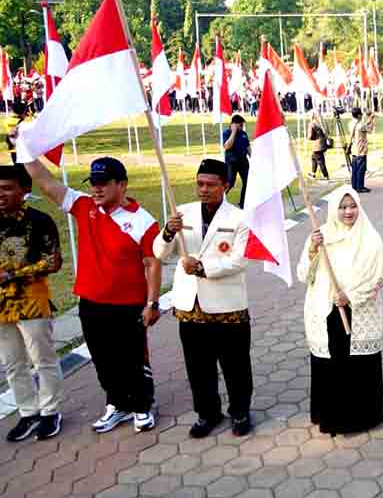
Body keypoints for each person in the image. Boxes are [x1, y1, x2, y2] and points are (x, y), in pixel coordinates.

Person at [23, 156, 161, 433]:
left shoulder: (143, 221)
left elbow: (152, 264)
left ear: (122, 185)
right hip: (90, 302)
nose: (96, 189)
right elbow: (47, 183)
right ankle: (117, 405)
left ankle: (142, 406)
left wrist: (152, 303)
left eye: (103, 183)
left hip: (128, 305)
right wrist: (25, 152)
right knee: (103, 360)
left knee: (132, 360)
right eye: (93, 183)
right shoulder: (84, 206)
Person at [154, 159, 254, 438]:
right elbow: (160, 253)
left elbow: (240, 260)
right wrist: (168, 232)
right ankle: (207, 413)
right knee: (198, 367)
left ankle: (240, 411)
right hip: (191, 306)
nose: (204, 189)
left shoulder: (240, 218)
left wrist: (201, 267)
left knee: (235, 366)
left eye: (211, 184)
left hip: (228, 305)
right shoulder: (182, 214)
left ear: (226, 186)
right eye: (200, 184)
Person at [298, 187, 383, 435]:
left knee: (358, 365)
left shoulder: (369, 237)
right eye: (342, 206)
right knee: (332, 366)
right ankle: (332, 418)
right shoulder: (320, 236)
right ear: (334, 209)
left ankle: (362, 418)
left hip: (358, 310)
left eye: (352, 206)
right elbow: (304, 275)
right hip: (327, 312)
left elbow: (380, 275)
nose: (348, 211)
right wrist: (313, 250)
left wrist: (350, 296)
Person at [0, 164, 64, 441]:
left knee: (42, 358)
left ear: (25, 190)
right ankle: (28, 413)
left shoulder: (39, 221)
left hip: (32, 300)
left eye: (7, 188)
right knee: (13, 363)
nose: (0, 194)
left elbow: (54, 262)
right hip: (1, 305)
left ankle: (50, 411)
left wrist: (12, 274)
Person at [223, 115, 250, 207]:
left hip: (243, 161)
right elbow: (227, 146)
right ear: (234, 124)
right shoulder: (226, 133)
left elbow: (248, 147)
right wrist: (234, 132)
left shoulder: (243, 134)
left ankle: (243, 203)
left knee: (248, 182)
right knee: (230, 182)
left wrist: (254, 159)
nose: (242, 127)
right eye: (241, 125)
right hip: (231, 162)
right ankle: (219, 199)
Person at [350, 107, 375, 194]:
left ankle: (354, 186)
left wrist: (369, 120)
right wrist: (372, 120)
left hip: (354, 149)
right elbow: (370, 130)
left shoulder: (351, 123)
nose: (362, 115)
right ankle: (360, 187)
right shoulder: (360, 125)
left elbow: (364, 126)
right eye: (361, 114)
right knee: (361, 169)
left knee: (355, 169)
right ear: (358, 115)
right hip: (361, 150)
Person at [308, 113, 330, 180]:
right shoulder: (322, 123)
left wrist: (311, 138)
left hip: (318, 146)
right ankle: (313, 173)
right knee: (313, 157)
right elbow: (327, 132)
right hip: (323, 144)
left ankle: (326, 176)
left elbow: (310, 136)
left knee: (320, 161)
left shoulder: (312, 124)